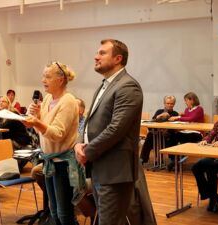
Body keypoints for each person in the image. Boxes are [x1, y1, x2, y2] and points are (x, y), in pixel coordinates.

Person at [74, 39, 143, 225]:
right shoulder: (105, 84)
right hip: (100, 166)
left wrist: (87, 151)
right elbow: (89, 121)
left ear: (118, 58)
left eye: (102, 53)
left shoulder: (128, 86)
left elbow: (116, 129)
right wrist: (79, 142)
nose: (96, 56)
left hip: (115, 170)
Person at [23, 61, 84, 225]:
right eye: (43, 76)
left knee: (65, 214)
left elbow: (56, 134)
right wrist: (35, 119)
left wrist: (35, 122)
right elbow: (42, 133)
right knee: (54, 211)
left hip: (63, 163)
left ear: (61, 80)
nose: (43, 80)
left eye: (48, 76)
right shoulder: (48, 98)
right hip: (49, 161)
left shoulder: (68, 101)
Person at [191, 103, 218, 213]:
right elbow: (211, 134)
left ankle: (213, 200)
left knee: (211, 167)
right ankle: (213, 196)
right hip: (215, 154)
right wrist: (206, 140)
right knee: (196, 167)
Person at [168, 92, 204, 170]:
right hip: (186, 130)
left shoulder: (199, 109)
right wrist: (183, 115)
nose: (185, 102)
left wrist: (178, 117)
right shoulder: (187, 109)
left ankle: (178, 160)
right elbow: (187, 118)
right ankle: (173, 159)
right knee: (173, 137)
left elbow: (191, 118)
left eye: (186, 100)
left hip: (196, 132)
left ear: (192, 100)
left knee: (186, 139)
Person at [140, 95, 179, 164]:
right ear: (164, 104)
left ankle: (172, 160)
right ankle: (143, 158)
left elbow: (175, 128)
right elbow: (151, 124)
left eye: (171, 103)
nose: (169, 105)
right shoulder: (159, 111)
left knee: (173, 137)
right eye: (168, 103)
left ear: (174, 104)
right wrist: (159, 116)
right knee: (150, 135)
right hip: (157, 133)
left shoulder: (175, 113)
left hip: (168, 135)